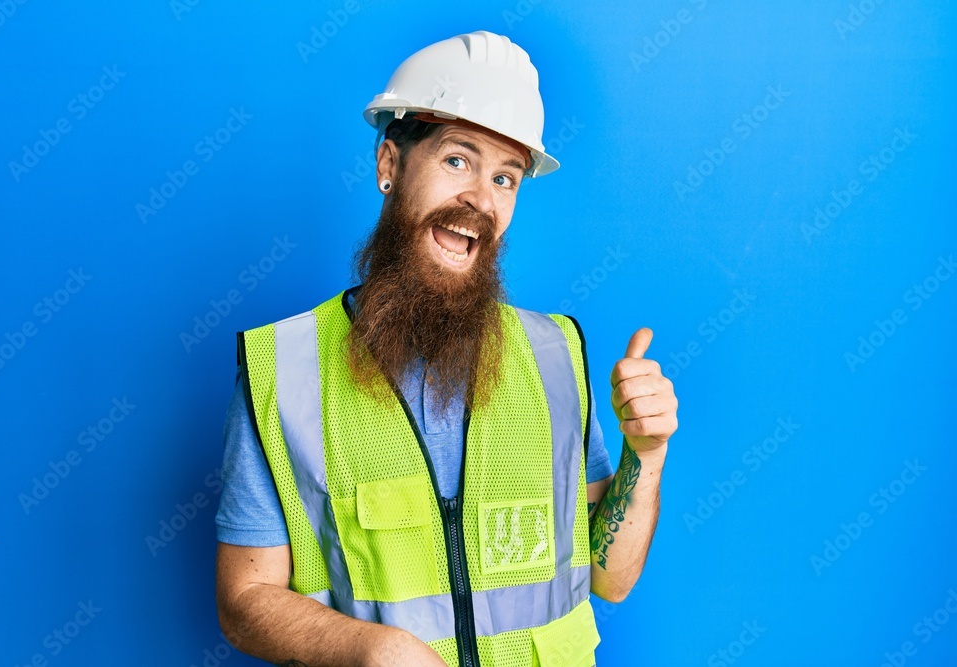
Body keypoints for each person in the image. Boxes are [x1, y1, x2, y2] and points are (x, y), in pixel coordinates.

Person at [214, 30, 677, 667]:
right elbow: (244, 598)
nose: (480, 201)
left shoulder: (555, 356)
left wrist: (646, 458)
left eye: (506, 177)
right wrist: (372, 649)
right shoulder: (285, 367)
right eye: (457, 160)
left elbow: (610, 578)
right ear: (389, 166)